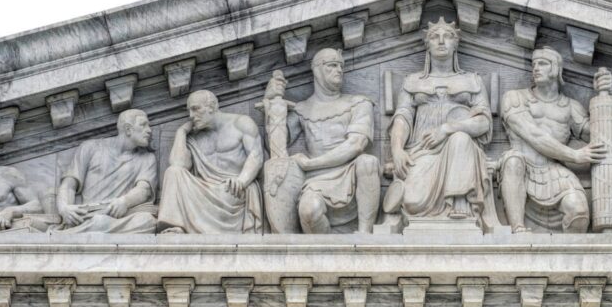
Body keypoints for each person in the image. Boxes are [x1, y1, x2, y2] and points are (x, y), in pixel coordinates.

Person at [384, 17, 503, 231]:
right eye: (434, 37)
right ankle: (408, 191)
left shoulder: (472, 81)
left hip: (461, 153)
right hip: (422, 152)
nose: (441, 41)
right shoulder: (413, 82)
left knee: (460, 139)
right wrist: (397, 150)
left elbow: (484, 123)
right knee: (413, 201)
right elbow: (402, 118)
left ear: (455, 43)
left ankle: (460, 206)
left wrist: (447, 129)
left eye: (447, 36)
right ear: (427, 45)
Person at [261, 49, 380, 233]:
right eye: (332, 65)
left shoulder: (359, 103)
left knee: (368, 161)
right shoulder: (302, 109)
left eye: (341, 66)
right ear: (317, 70)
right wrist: (271, 103)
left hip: (350, 172)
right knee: (309, 210)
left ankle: (365, 236)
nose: (339, 70)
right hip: (316, 180)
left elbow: (356, 144)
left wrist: (311, 163)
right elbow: (275, 148)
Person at [498, 47, 605, 233]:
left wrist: (605, 94)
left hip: (554, 171)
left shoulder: (571, 107)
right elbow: (534, 135)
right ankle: (517, 227)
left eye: (542, 63)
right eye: (533, 64)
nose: (535, 68)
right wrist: (575, 155)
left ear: (556, 69)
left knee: (579, 212)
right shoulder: (515, 98)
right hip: (522, 169)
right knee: (513, 160)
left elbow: (599, 136)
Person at [157, 90, 263, 234]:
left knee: (231, 190)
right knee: (172, 172)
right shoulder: (194, 136)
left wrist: (242, 180)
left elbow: (256, 155)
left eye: (195, 109)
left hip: (232, 191)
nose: (191, 116)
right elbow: (178, 164)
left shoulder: (241, 123)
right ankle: (175, 227)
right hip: (202, 191)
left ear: (212, 106)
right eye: (189, 111)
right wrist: (181, 132)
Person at [56, 109, 158, 234]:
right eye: (143, 125)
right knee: (99, 221)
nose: (149, 130)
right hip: (88, 216)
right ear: (128, 129)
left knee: (147, 221)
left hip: (119, 218)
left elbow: (144, 190)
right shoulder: (90, 147)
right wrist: (64, 208)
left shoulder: (147, 158)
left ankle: (83, 232)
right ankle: (80, 231)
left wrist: (125, 202)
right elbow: (69, 185)